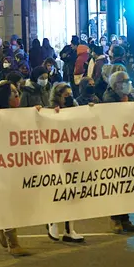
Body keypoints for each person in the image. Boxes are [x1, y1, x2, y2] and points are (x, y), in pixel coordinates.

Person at [0, 82, 32, 256]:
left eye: (16, 92)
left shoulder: (23, 114)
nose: (16, 95)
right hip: (3, 167)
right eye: (12, 92)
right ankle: (13, 243)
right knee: (8, 203)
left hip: (20, 166)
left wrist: (39, 115)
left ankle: (3, 229)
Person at [102, 71, 134, 233]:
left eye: (128, 80)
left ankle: (125, 219)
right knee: (117, 186)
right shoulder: (109, 99)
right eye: (124, 81)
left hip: (130, 148)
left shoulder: (130, 96)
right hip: (115, 149)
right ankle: (115, 219)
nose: (128, 83)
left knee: (128, 186)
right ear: (115, 85)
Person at [46, 82, 88, 241]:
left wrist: (88, 109)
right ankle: (52, 221)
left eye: (71, 95)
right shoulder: (49, 110)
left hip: (73, 157)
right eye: (66, 96)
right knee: (58, 192)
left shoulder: (75, 107)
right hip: (56, 158)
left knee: (73, 193)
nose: (69, 98)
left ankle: (70, 230)